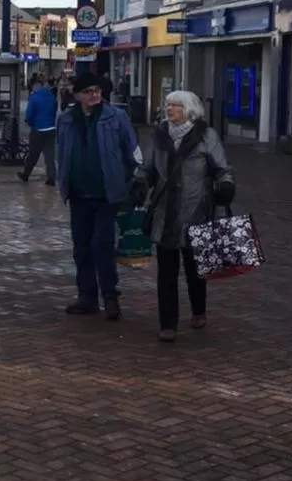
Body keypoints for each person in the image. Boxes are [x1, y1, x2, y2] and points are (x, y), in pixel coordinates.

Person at [143, 90, 234, 343]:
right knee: (166, 272)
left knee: (194, 269)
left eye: (176, 106)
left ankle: (198, 310)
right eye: (168, 105)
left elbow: (222, 169)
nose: (170, 110)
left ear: (190, 110)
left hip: (196, 211)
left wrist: (226, 187)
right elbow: (148, 168)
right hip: (165, 212)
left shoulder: (206, 136)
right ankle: (168, 324)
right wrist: (139, 186)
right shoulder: (160, 136)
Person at [55, 69, 140, 321]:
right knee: (81, 247)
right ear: (77, 95)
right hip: (79, 194)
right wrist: (63, 181)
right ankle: (87, 296)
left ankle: (110, 296)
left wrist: (136, 180)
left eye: (98, 90)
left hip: (108, 193)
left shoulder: (116, 117)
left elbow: (132, 151)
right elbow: (62, 151)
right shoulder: (67, 119)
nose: (95, 95)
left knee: (102, 245)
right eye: (89, 91)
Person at [18, 74, 57, 185]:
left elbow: (30, 114)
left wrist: (30, 123)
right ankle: (51, 177)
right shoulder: (51, 97)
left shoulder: (34, 97)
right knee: (50, 155)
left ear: (35, 86)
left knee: (33, 154)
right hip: (51, 129)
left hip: (38, 129)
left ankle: (26, 174)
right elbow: (54, 111)